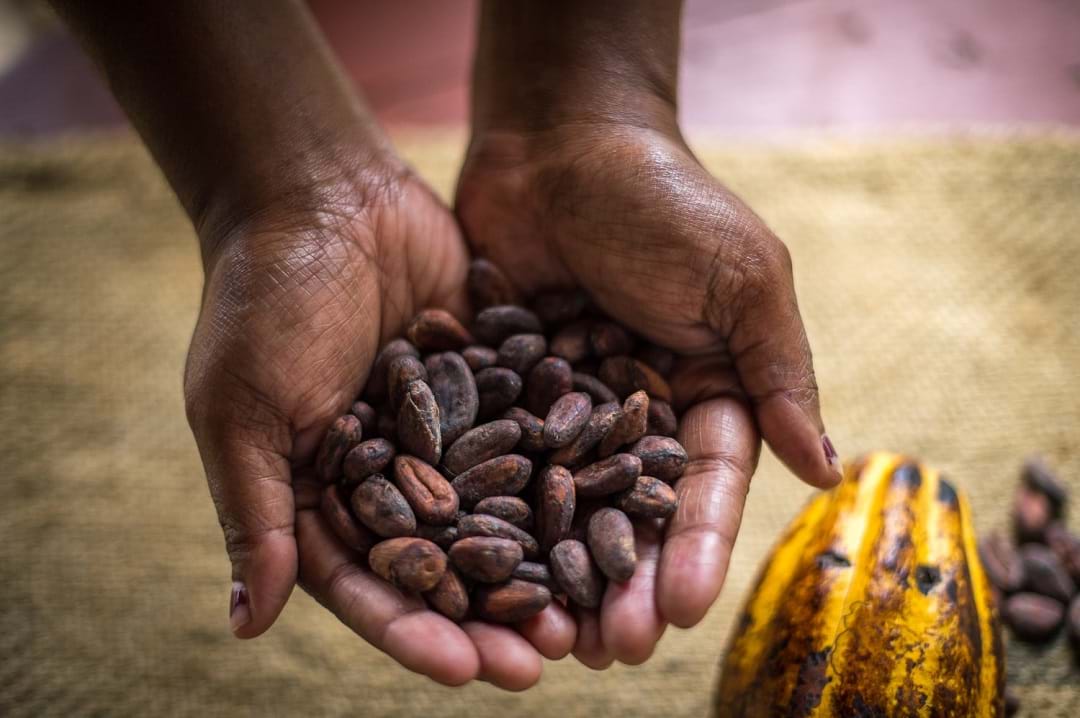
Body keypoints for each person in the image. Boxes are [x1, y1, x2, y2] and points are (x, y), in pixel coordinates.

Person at [53, 1, 842, 691]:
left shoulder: (533, 435)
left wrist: (584, 114)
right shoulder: (447, 443)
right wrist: (287, 197)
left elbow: (557, 455)